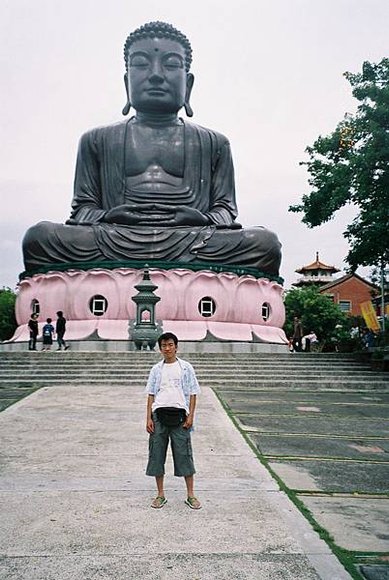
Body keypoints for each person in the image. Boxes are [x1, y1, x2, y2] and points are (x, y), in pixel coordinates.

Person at [22, 21, 281, 278]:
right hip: (114, 238)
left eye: (170, 64)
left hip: (193, 240)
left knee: (264, 244)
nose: (156, 74)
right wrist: (111, 216)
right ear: (127, 82)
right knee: (39, 237)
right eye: (141, 63)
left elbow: (225, 211)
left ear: (188, 84)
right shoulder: (97, 139)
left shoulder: (214, 143)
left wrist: (199, 219)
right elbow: (82, 210)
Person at [145, 331, 201, 509]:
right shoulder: (156, 369)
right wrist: (148, 418)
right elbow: (151, 394)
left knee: (184, 454)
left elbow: (193, 393)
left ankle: (190, 495)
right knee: (157, 454)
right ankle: (160, 494)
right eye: (163, 346)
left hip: (180, 417)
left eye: (170, 345)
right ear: (160, 348)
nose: (167, 348)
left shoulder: (186, 368)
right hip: (159, 416)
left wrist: (191, 415)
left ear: (176, 347)